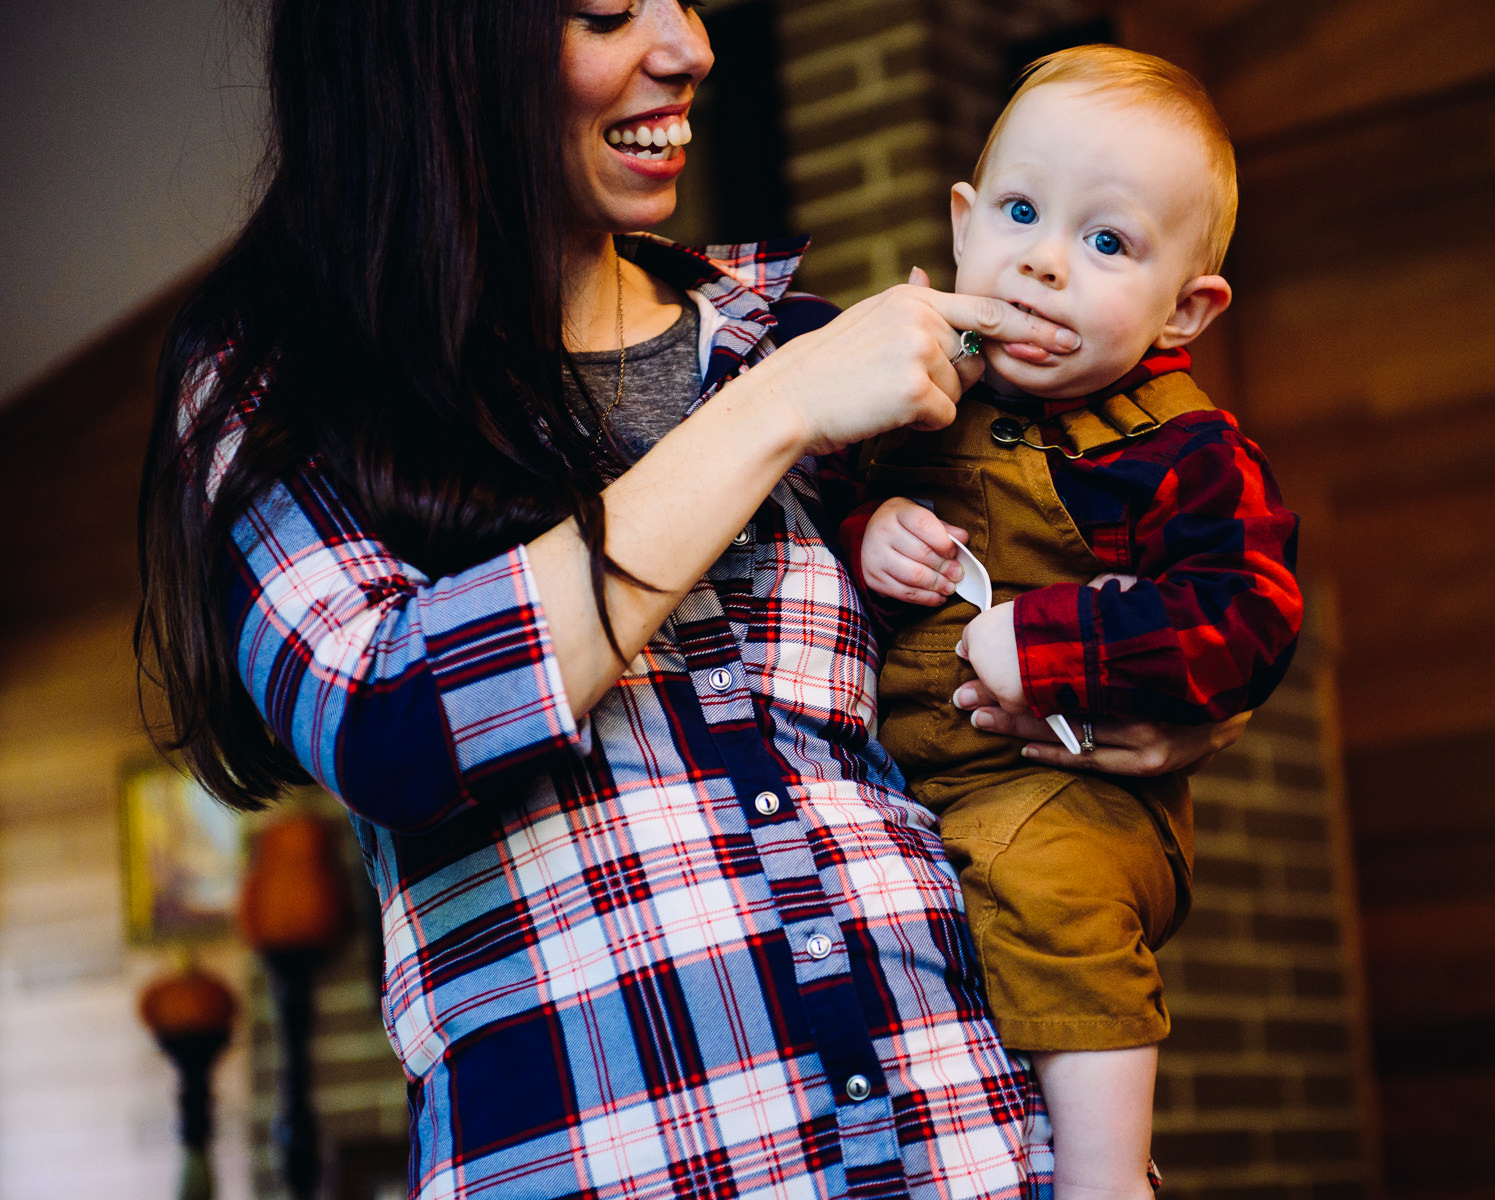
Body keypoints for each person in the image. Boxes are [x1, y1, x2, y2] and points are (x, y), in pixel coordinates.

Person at [135, 5, 1247, 1198]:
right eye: (608, 9)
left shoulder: (796, 337)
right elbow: (387, 722)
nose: (690, 46)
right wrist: (772, 415)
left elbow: (1083, 602)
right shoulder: (282, 377)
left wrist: (1172, 699)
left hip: (972, 1148)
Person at [844, 47, 1303, 1200]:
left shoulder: (1186, 454)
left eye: (1108, 243)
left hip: (1081, 794)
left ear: (1185, 310)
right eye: (1018, 213)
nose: (1044, 264)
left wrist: (1054, 642)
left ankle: (1107, 1180)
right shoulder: (906, 394)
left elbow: (1246, 615)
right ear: (962, 228)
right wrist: (871, 528)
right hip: (909, 775)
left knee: (1047, 882)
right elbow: (804, 520)